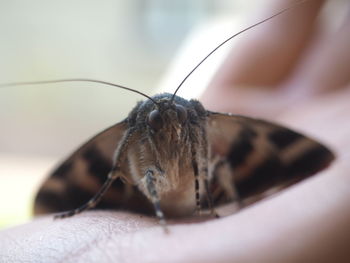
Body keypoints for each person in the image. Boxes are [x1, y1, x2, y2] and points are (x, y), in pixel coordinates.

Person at [1, 0, 350, 262]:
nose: (172, 129)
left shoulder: (203, 126)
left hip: (208, 192)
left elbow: (281, 153)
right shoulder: (133, 136)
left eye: (182, 121)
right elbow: (58, 194)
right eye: (158, 122)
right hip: (136, 203)